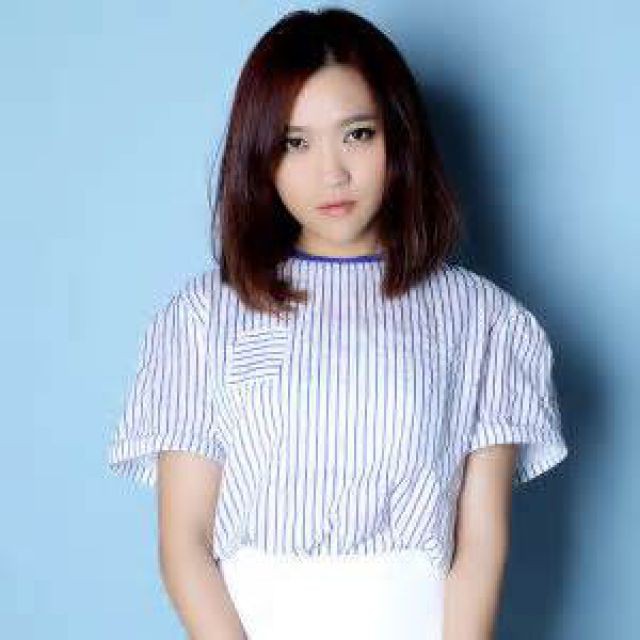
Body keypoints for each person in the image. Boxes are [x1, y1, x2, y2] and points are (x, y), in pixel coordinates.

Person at [106, 7, 569, 640]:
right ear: (260, 157)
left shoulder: (484, 321)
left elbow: (479, 550)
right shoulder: (201, 318)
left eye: (357, 134)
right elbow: (184, 543)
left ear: (398, 135)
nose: (332, 173)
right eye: (295, 143)